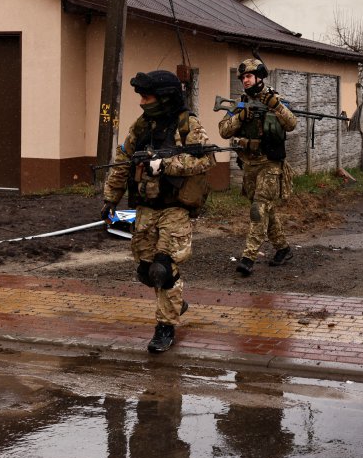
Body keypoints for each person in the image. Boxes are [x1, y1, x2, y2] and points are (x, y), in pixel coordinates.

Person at [101, 70, 215, 353]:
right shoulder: (141, 126)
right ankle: (175, 303)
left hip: (175, 207)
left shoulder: (187, 124)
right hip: (146, 207)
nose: (141, 102)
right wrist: (110, 199)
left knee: (163, 268)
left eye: (147, 96)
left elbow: (206, 159)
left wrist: (166, 165)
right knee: (145, 270)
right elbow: (121, 162)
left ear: (164, 97)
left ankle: (165, 326)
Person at [218, 58, 298, 277]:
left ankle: (248, 257)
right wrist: (241, 117)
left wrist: (276, 106)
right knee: (266, 209)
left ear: (260, 77)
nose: (245, 80)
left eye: (249, 76)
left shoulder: (275, 100)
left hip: (270, 164)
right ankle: (283, 248)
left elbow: (291, 124)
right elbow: (224, 130)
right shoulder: (241, 103)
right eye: (243, 77)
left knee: (258, 208)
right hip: (250, 165)